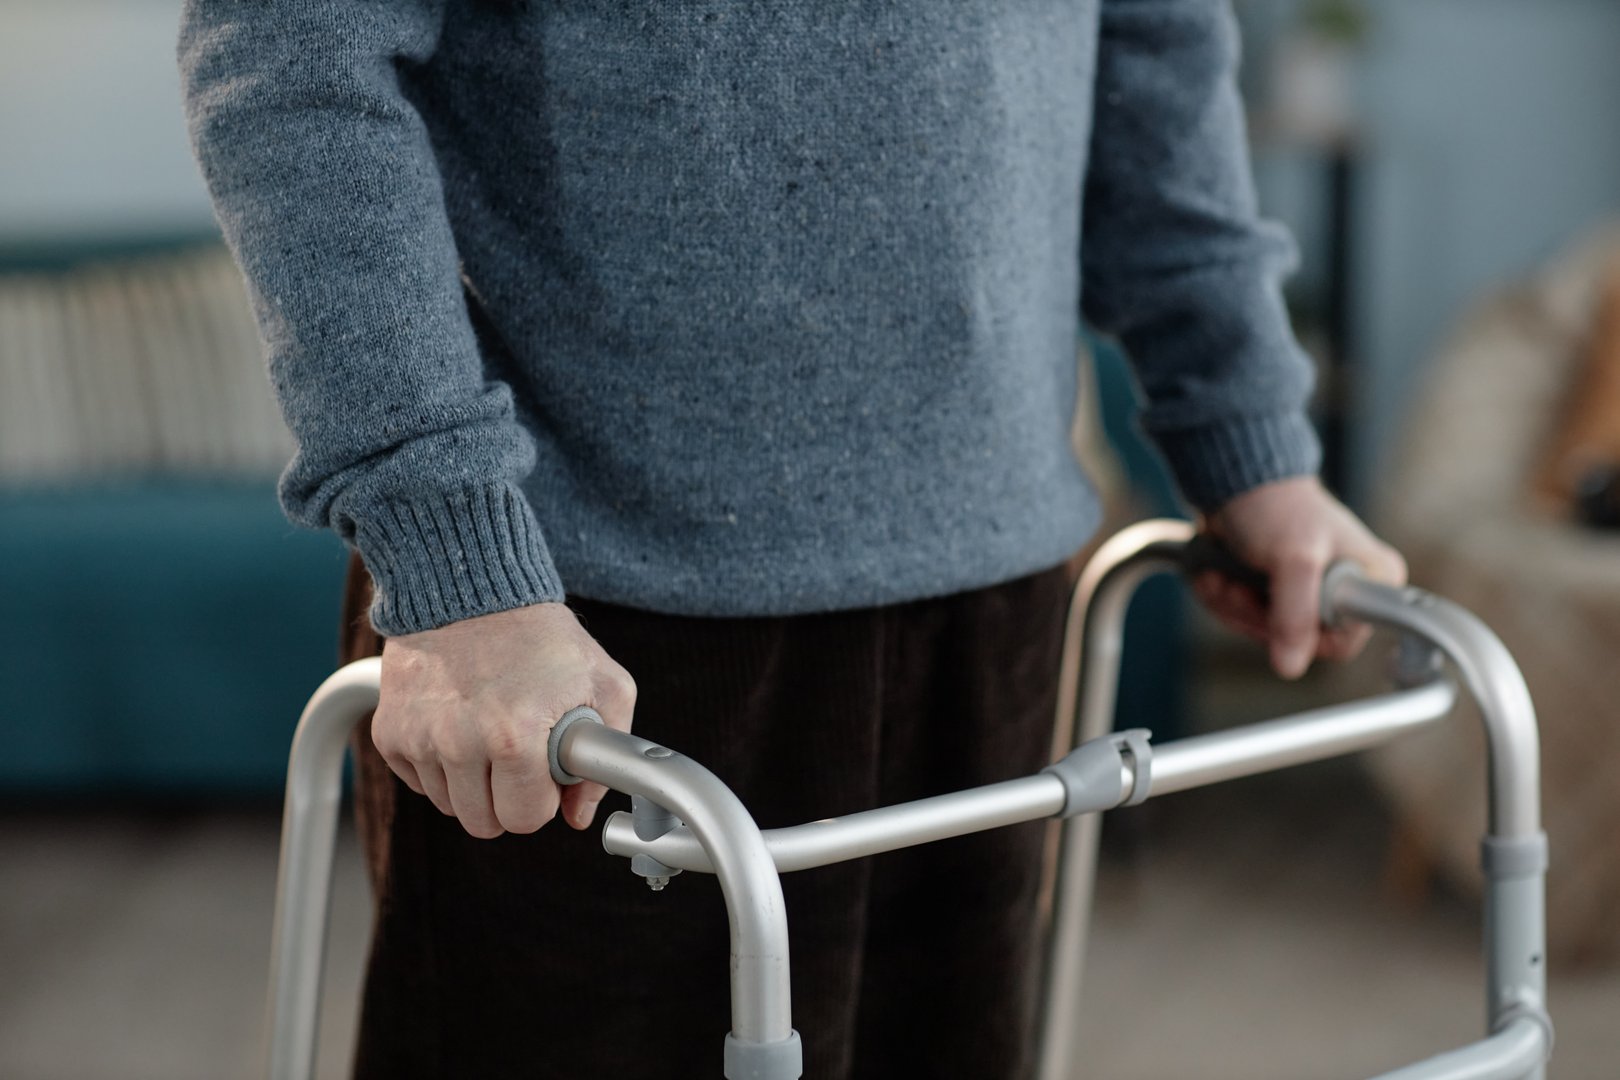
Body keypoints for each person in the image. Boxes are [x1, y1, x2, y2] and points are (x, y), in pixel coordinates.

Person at [180, 2, 1406, 1077]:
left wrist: (1252, 443)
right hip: (579, 634)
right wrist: (456, 560)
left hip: (994, 601)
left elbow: (1155, 53)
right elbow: (293, 55)